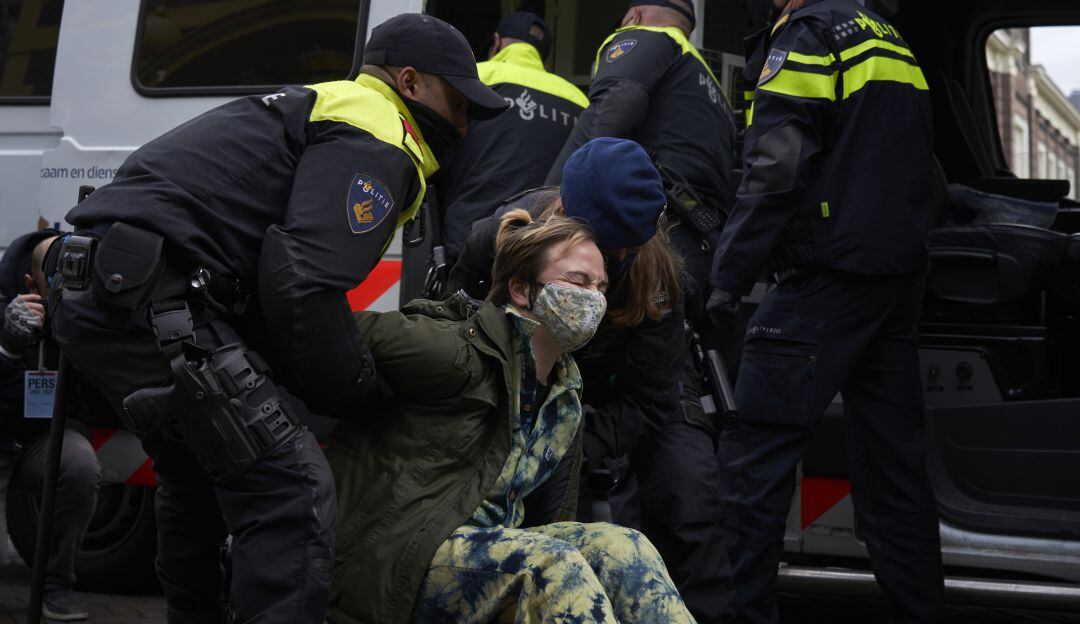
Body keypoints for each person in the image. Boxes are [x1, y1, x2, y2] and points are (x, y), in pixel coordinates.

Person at [46, 13, 508, 624]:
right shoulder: (376, 129)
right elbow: (301, 282)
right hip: (158, 301)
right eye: (459, 101)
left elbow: (272, 279)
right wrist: (360, 389)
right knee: (291, 491)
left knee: (197, 479)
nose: (465, 122)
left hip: (111, 293)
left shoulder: (313, 108)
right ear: (411, 82)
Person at [327, 211, 695, 624]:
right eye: (577, 281)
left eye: (600, 286)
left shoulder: (565, 398)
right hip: (401, 555)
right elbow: (340, 331)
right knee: (551, 565)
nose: (593, 297)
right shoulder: (456, 352)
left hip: (492, 556)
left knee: (625, 548)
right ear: (521, 290)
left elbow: (549, 520)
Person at [707, 1, 945, 623]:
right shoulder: (889, 36)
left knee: (753, 461)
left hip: (824, 279)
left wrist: (725, 284)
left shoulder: (809, 36)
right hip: (894, 277)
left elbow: (775, 167)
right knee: (894, 467)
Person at [448, 138, 735, 623]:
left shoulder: (654, 275)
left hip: (628, 386)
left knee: (690, 500)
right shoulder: (506, 235)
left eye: (628, 247)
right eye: (605, 245)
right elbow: (458, 330)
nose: (615, 257)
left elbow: (651, 399)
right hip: (526, 378)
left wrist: (577, 440)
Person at [545, 0, 736, 325]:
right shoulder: (715, 89)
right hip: (699, 246)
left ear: (634, 16)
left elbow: (617, 102)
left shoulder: (648, 37)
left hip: (644, 237)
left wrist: (551, 199)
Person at [0, 230, 103, 622]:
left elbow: (97, 408)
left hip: (41, 439)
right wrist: (8, 348)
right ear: (30, 283)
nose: (63, 299)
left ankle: (56, 585)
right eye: (52, 291)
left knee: (79, 465)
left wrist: (88, 347)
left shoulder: (80, 305)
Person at [439, 10, 589, 265]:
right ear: (542, 56)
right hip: (546, 244)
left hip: (471, 239)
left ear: (496, 42)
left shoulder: (473, 77)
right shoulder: (578, 99)